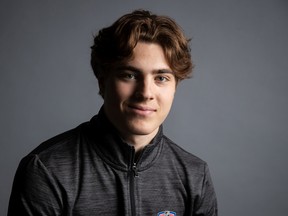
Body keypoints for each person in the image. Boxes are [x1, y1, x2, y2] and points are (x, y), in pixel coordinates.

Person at [8, 10, 218, 216]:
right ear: (102, 80)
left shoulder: (194, 175)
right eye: (129, 75)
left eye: (161, 78)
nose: (145, 93)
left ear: (175, 87)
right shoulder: (47, 170)